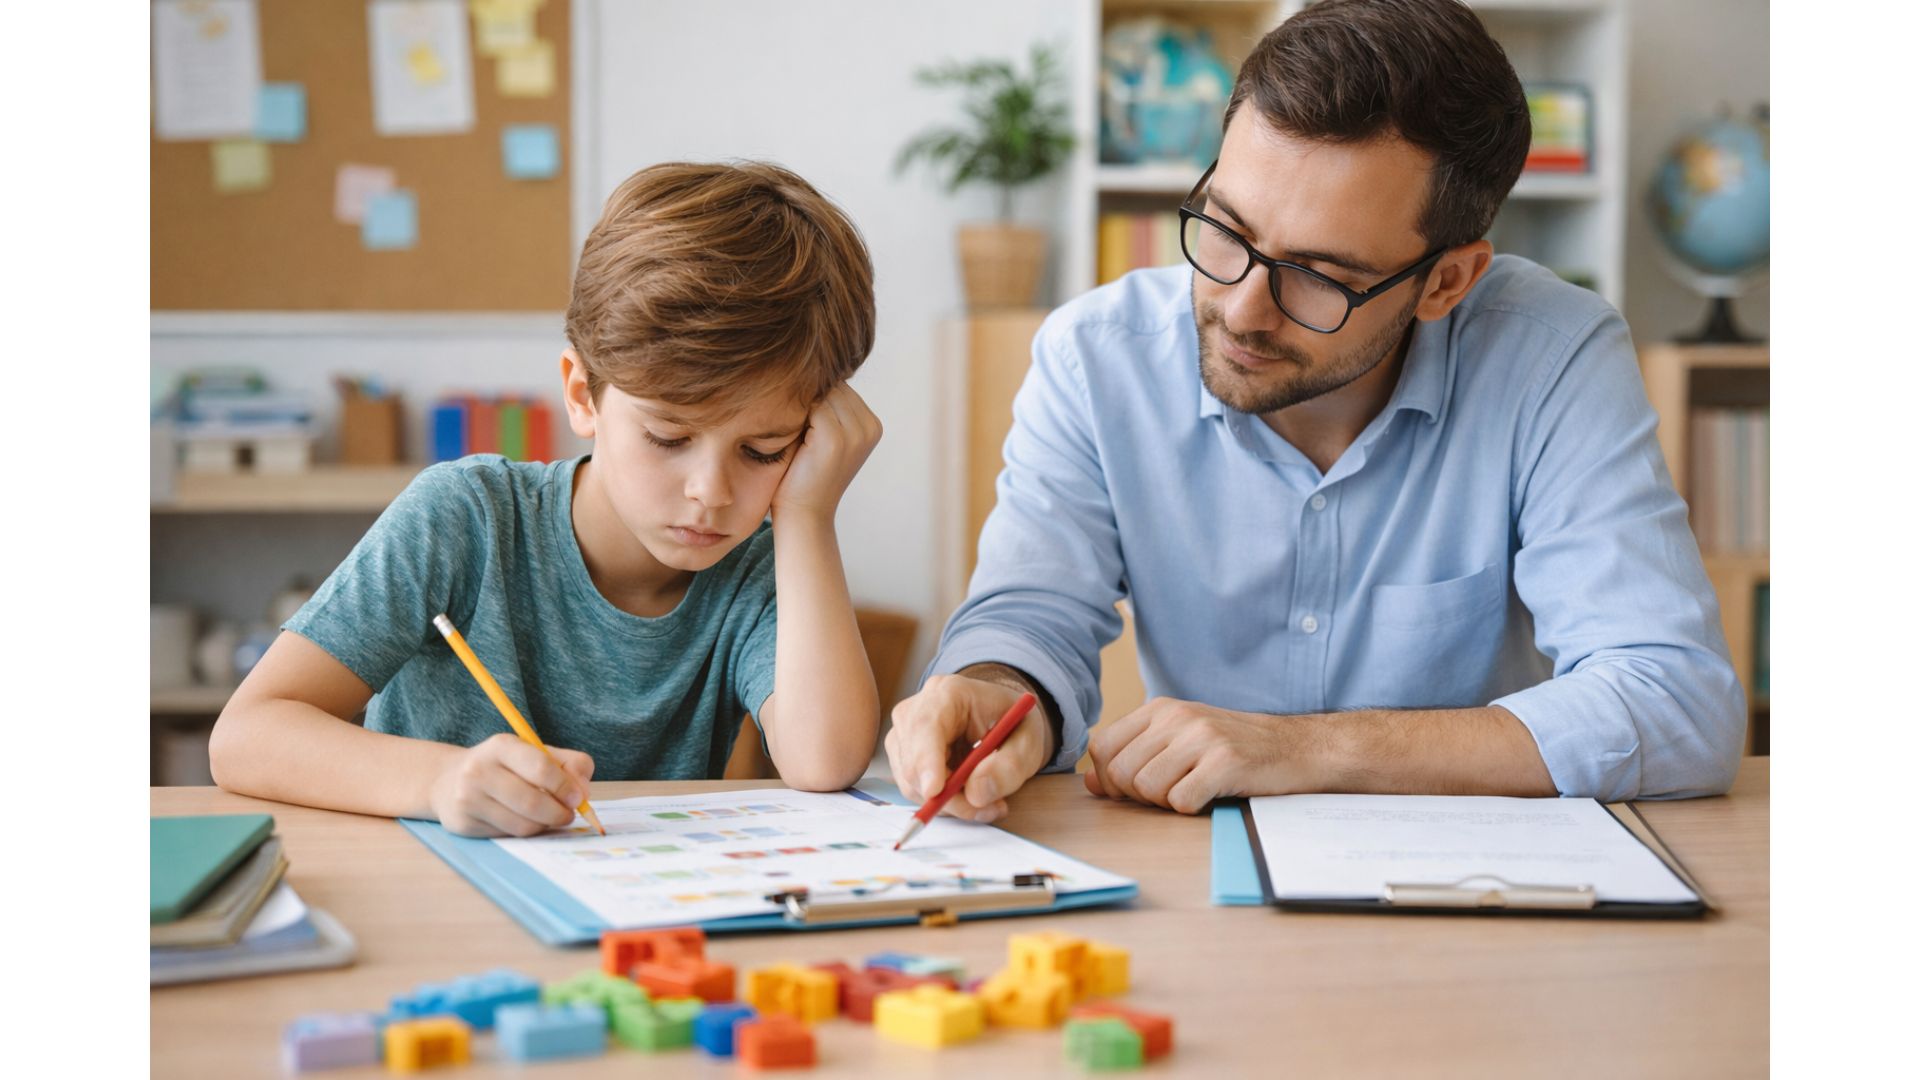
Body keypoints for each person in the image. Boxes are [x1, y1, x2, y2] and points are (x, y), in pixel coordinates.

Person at [886, 0, 1743, 821]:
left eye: (1320, 276)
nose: (1243, 307)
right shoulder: (1095, 357)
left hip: (1469, 894)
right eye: (1225, 228)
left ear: (1447, 281)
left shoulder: (1552, 358)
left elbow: (1677, 702)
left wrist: (1309, 751)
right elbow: (1029, 620)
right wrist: (996, 694)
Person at [212, 162, 884, 837]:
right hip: (433, 901)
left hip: (630, 917)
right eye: (667, 436)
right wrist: (439, 780)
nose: (710, 492)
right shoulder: (465, 516)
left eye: (764, 450)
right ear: (580, 393)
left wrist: (807, 514)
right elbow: (246, 734)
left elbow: (824, 760)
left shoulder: (759, 570)